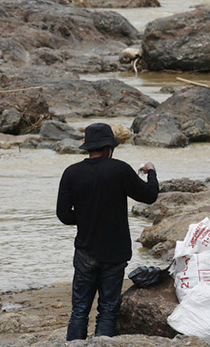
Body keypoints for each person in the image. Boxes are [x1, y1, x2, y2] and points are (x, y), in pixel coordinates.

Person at [56, 123, 159, 340]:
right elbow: (149, 196)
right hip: (115, 252)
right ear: (107, 148)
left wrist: (85, 219)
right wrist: (151, 172)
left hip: (85, 251)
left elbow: (63, 215)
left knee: (80, 309)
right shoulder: (119, 169)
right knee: (108, 309)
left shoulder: (71, 173)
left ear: (89, 148)